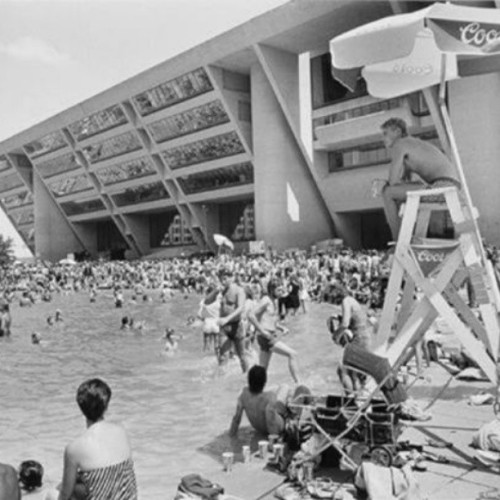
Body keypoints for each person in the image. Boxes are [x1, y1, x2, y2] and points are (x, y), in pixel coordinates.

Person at [380, 117, 460, 239]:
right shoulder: (411, 144)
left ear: (397, 131)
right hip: (450, 186)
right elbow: (401, 183)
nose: (383, 138)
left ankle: (398, 241)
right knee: (401, 195)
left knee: (387, 193)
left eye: (385, 133)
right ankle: (406, 236)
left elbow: (392, 182)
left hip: (443, 187)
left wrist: (381, 183)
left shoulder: (400, 144)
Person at [58, 378, 137, 500]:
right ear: (106, 406)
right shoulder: (121, 431)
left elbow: (64, 496)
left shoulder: (74, 449)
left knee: (53, 493)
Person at [248, 280, 300, 383]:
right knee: (292, 354)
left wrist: (281, 328)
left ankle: (256, 390)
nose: (281, 292)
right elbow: (251, 315)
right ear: (271, 290)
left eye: (282, 289)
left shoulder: (274, 301)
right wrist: (262, 331)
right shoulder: (266, 300)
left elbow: (269, 319)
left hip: (267, 335)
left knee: (263, 369)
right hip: (266, 337)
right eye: (278, 290)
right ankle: (298, 383)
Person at [217, 269, 249, 373]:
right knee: (223, 355)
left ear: (232, 278)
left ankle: (247, 376)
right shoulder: (222, 291)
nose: (223, 282)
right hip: (224, 328)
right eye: (221, 279)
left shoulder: (239, 290)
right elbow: (208, 301)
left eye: (225, 279)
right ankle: (221, 382)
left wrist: (226, 318)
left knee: (242, 355)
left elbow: (240, 308)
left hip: (236, 326)